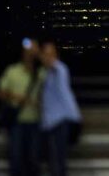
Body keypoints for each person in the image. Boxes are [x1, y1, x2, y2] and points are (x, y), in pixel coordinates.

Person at [0, 38, 45, 176]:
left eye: (32, 52)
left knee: (34, 160)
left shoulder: (41, 73)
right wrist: (17, 97)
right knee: (16, 159)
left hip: (36, 121)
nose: (29, 55)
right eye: (27, 52)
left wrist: (38, 53)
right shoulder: (12, 71)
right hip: (16, 122)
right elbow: (1, 92)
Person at [39, 37, 82, 176]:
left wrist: (36, 53)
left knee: (58, 162)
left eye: (50, 54)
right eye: (45, 54)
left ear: (56, 55)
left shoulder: (60, 69)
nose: (47, 57)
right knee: (53, 162)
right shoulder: (43, 73)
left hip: (60, 121)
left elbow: (65, 92)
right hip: (48, 123)